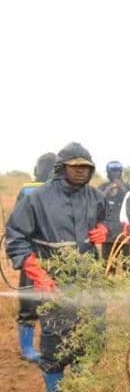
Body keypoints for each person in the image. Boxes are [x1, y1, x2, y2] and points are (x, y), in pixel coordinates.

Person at [4, 142, 108, 392]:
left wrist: (102, 230)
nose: (81, 172)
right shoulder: (36, 199)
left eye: (85, 167)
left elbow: (103, 221)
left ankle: (83, 387)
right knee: (54, 337)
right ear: (62, 168)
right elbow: (16, 239)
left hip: (87, 277)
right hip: (51, 276)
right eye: (75, 167)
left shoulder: (96, 196)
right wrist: (38, 273)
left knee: (91, 331)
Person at [13, 153, 57, 362]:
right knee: (31, 301)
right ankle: (28, 347)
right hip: (34, 256)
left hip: (53, 255)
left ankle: (40, 345)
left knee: (50, 302)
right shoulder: (30, 190)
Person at [98, 161, 130, 257]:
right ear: (108, 173)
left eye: (118, 171)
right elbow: (97, 201)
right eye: (113, 171)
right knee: (108, 265)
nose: (116, 173)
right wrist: (109, 189)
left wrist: (122, 188)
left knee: (128, 265)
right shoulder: (103, 187)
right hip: (108, 233)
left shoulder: (128, 187)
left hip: (125, 233)